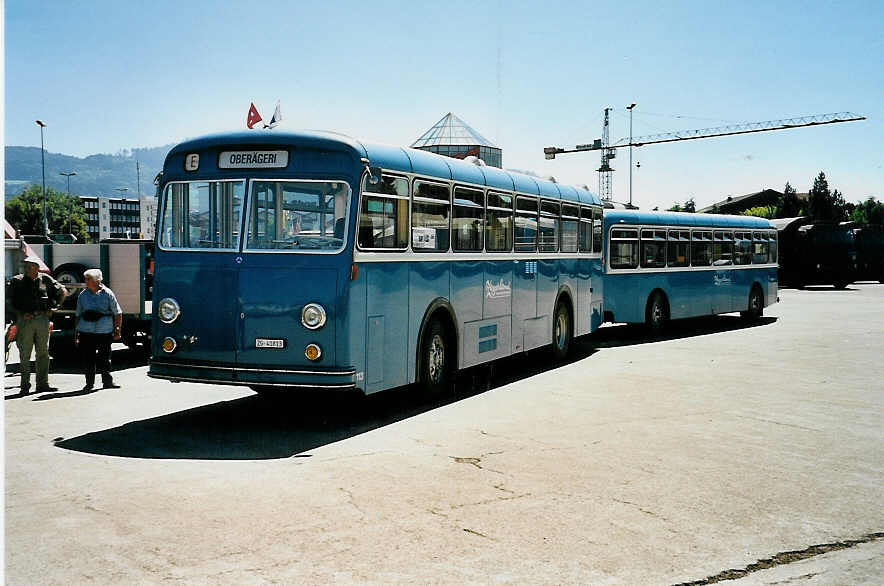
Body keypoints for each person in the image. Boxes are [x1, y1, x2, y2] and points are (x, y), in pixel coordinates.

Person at [7, 255, 67, 394]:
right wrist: (20, 314)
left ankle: (42, 384)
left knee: (43, 352)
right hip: (25, 320)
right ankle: (24, 386)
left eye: (30, 266)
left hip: (42, 319)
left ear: (37, 268)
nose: (26, 268)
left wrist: (56, 307)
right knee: (25, 353)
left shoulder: (45, 279)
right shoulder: (17, 281)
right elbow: (8, 301)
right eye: (25, 266)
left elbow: (63, 291)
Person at [74, 269, 123, 391]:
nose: (86, 281)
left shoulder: (108, 294)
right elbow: (78, 315)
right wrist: (76, 333)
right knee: (88, 358)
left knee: (105, 358)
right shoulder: (83, 295)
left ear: (97, 280)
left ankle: (107, 382)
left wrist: (117, 329)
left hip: (104, 331)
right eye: (86, 279)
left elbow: (117, 312)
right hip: (86, 331)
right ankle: (89, 383)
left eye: (89, 279)